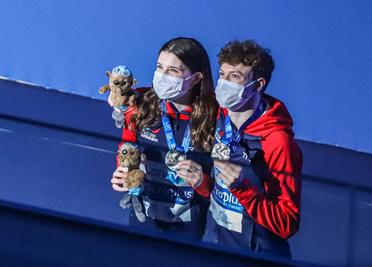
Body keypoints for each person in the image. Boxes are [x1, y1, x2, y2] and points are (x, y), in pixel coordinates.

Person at [194, 40, 302, 257]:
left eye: (235, 77)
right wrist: (202, 183)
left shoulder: (277, 142)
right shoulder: (220, 116)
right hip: (213, 246)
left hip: (257, 255)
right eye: (222, 74)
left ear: (258, 85)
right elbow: (218, 191)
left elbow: (286, 223)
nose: (224, 84)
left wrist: (243, 190)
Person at [110, 37, 218, 240]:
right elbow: (125, 147)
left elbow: (225, 188)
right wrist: (123, 172)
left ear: (195, 79)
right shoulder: (140, 109)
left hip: (187, 226)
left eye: (173, 71)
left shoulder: (214, 119)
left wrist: (203, 183)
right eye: (160, 67)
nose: (162, 76)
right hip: (143, 218)